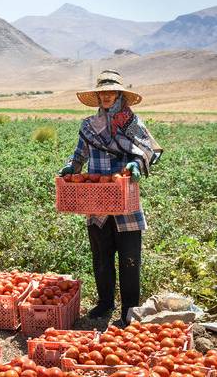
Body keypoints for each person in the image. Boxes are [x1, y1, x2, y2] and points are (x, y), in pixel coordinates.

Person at [59, 70, 162, 325]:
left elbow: (147, 150)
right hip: (96, 199)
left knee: (129, 258)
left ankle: (130, 310)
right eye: (102, 92)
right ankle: (105, 304)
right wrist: (71, 167)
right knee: (101, 256)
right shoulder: (87, 126)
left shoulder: (132, 122)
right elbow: (79, 155)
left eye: (111, 92)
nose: (106, 96)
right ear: (97, 96)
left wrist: (137, 164)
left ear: (119, 94)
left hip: (125, 199)